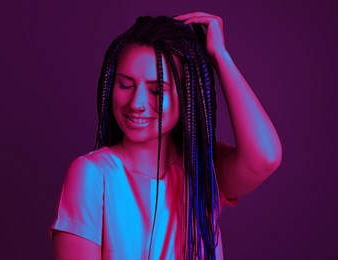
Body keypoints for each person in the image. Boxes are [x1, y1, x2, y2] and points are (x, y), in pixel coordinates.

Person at [49, 11, 282, 259]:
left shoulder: (202, 170)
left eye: (157, 90)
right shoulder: (92, 174)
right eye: (125, 84)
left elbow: (265, 157)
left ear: (186, 96)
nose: (136, 102)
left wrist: (220, 57)